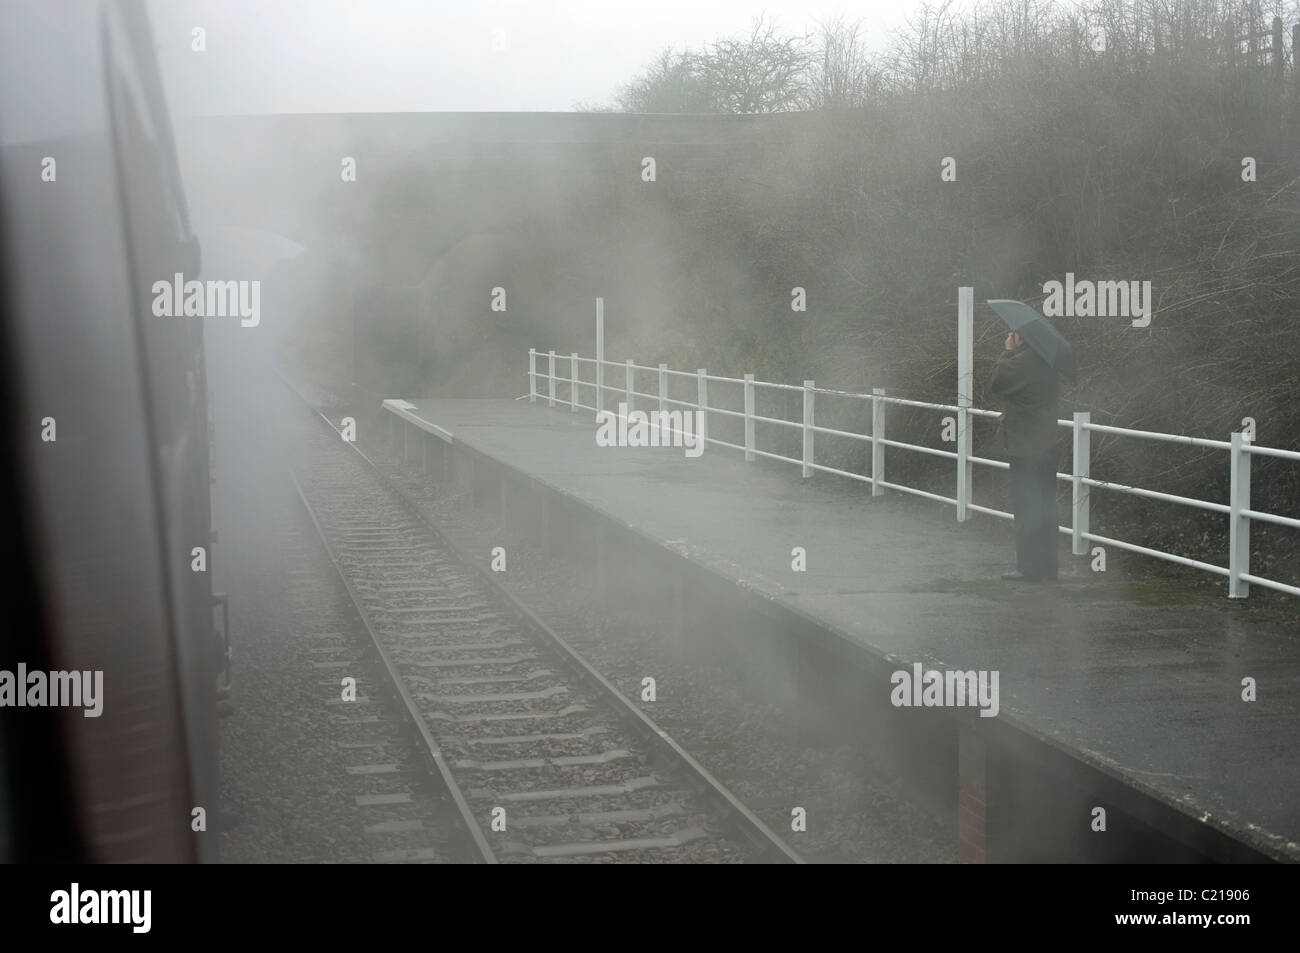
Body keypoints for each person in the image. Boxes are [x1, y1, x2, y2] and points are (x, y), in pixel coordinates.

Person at [988, 331, 1060, 582]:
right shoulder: (1050, 362)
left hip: (1025, 445)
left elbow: (997, 381)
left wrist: (1008, 351)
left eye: (1013, 333)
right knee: (1047, 506)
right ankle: (1049, 567)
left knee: (1026, 506)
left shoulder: (1023, 362)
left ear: (1021, 337)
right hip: (1047, 443)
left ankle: (1028, 568)